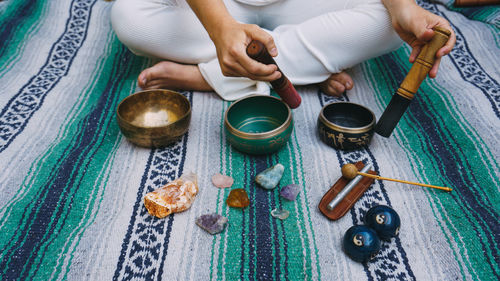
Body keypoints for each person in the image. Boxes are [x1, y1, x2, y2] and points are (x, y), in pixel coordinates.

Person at [110, 0, 455, 101]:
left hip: (308, 5)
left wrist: (404, 7)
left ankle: (209, 75)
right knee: (130, 16)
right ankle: (310, 62)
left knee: (392, 25)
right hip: (220, 7)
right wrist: (220, 28)